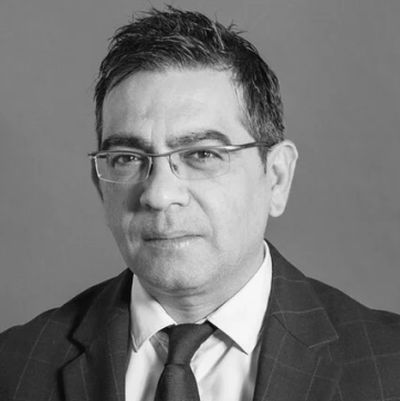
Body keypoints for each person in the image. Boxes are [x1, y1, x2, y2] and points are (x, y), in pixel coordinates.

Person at [1, 6, 399, 401]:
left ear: (277, 177)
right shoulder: (14, 368)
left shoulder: (388, 365)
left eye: (202, 155)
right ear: (99, 183)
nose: (159, 194)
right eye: (127, 158)